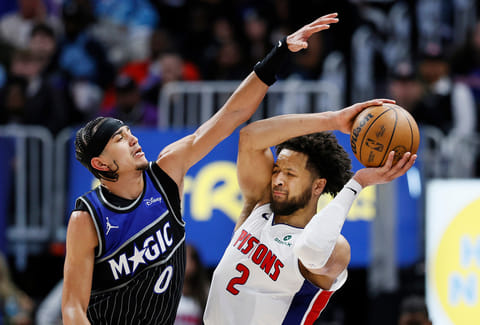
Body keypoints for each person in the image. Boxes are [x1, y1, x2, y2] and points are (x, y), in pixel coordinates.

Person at [61, 13, 340, 325]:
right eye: (119, 139)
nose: (133, 139)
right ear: (101, 164)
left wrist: (280, 52)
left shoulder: (166, 172)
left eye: (129, 132)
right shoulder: (88, 217)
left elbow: (232, 115)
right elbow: (72, 309)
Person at [203, 99, 417, 324]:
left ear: (318, 186)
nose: (278, 180)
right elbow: (250, 137)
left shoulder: (336, 248)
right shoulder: (259, 205)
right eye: (277, 170)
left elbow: (311, 250)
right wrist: (332, 120)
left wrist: (357, 183)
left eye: (290, 174)